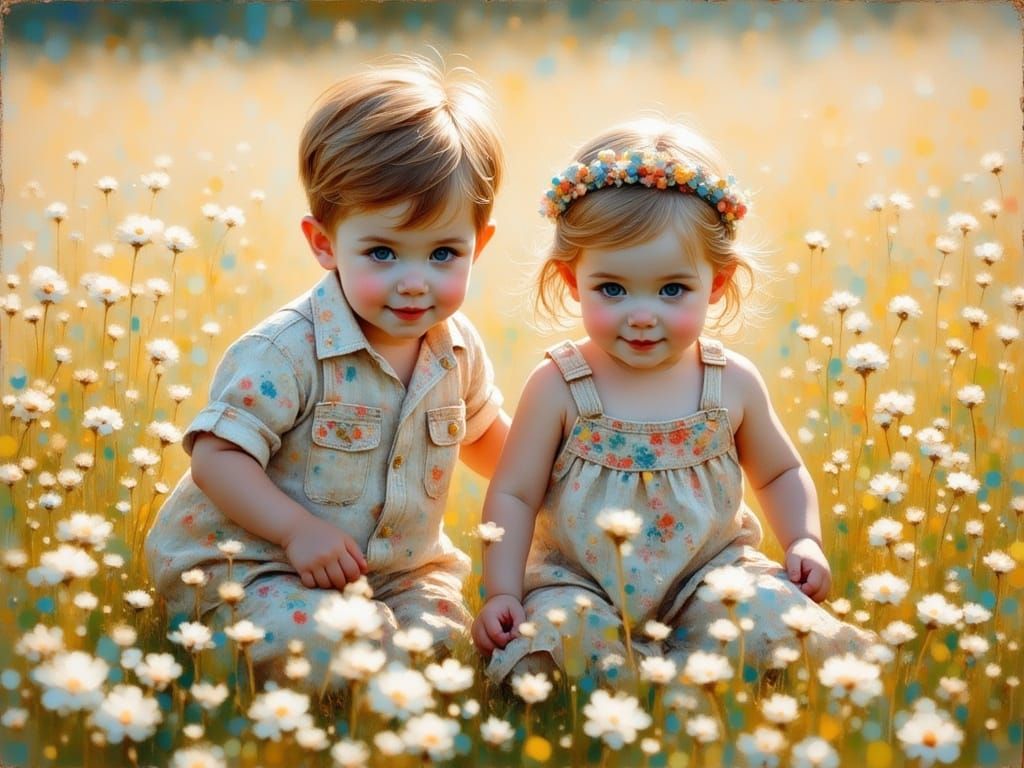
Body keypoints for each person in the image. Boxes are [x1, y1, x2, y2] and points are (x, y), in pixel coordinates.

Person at [145, 56, 509, 686]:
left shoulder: (457, 349)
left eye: (444, 253)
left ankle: (388, 655)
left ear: (479, 245)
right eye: (383, 252)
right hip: (257, 567)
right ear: (324, 243)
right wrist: (296, 532)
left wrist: (561, 475)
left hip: (396, 573)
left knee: (446, 652)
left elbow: (487, 440)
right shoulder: (287, 351)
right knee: (334, 648)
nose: (414, 281)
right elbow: (216, 458)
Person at [472, 118, 871, 682]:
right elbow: (514, 493)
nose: (642, 314)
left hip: (710, 578)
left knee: (781, 630)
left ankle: (697, 667)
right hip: (580, 583)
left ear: (717, 284)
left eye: (672, 290)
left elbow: (780, 471)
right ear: (571, 281)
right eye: (612, 289)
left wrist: (803, 538)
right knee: (549, 648)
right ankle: (623, 673)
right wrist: (502, 592)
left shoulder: (729, 382)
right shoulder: (559, 385)